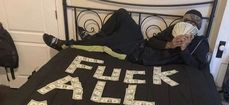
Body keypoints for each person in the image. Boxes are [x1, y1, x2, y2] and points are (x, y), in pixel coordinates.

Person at [43, 9, 209, 69]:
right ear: (182, 21)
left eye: (193, 23)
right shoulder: (174, 29)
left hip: (138, 55)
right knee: (121, 14)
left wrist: (183, 49)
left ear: (198, 27)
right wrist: (169, 43)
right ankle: (94, 37)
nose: (189, 24)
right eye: (186, 21)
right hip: (141, 43)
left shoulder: (200, 43)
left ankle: (65, 45)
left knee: (105, 44)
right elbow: (152, 41)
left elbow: (199, 67)